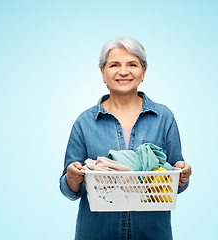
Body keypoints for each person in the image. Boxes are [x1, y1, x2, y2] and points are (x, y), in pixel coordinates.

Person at [59, 37, 192, 240]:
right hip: (96, 234)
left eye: (132, 64)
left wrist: (182, 174)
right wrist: (72, 178)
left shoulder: (164, 117)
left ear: (143, 72)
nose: (123, 71)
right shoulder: (84, 122)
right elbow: (69, 190)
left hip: (152, 233)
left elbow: (176, 181)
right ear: (103, 73)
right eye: (114, 65)